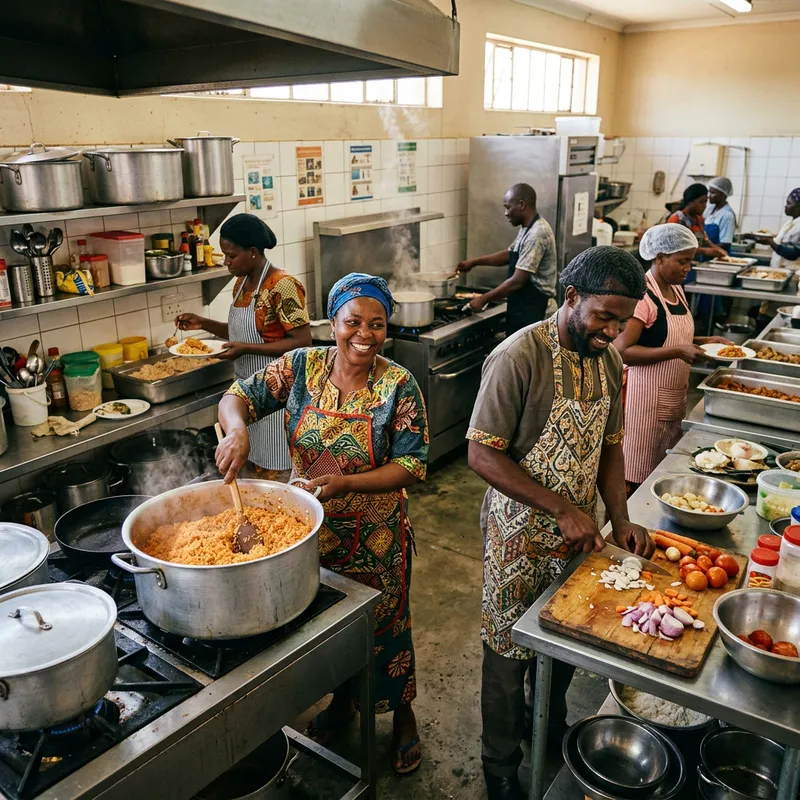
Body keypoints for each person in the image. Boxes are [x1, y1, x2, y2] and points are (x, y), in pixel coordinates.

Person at [216, 273, 429, 775]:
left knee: (386, 628)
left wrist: (348, 484)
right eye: (353, 321)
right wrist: (239, 431)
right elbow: (235, 396)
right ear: (332, 322)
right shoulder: (300, 367)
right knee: (326, 629)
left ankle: (402, 715)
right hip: (306, 532)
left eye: (377, 324)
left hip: (376, 539)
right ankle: (342, 702)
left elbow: (413, 465)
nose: (365, 333)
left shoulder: (399, 384)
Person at [466, 246, 655, 800]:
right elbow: (482, 454)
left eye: (622, 321)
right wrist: (560, 507)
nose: (613, 331)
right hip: (518, 539)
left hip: (582, 537)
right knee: (506, 658)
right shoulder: (519, 357)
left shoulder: (612, 362)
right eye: (604, 317)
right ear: (570, 297)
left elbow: (611, 446)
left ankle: (543, 725)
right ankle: (499, 765)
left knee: (567, 641)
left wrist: (620, 516)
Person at [176, 214, 311, 481]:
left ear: (252, 252)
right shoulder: (242, 282)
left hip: (277, 397)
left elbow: (301, 342)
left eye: (231, 255)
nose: (226, 262)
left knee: (278, 472)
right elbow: (240, 332)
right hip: (246, 396)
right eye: (224, 255)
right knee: (252, 471)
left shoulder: (282, 286)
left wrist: (246, 349)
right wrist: (203, 323)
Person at [614, 225, 730, 493]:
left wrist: (705, 341)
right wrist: (679, 352)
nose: (687, 268)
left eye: (690, 261)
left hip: (671, 400)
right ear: (659, 258)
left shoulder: (676, 290)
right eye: (682, 261)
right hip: (641, 403)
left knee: (658, 474)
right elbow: (621, 349)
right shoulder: (644, 295)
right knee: (631, 479)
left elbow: (666, 337)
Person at [457, 183, 557, 337]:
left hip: (536, 310)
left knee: (528, 360)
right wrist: (474, 262)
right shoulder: (527, 228)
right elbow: (509, 255)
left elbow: (517, 281)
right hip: (524, 307)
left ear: (521, 204)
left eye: (508, 207)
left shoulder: (537, 233)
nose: (505, 213)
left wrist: (484, 299)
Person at [667, 183, 727, 262]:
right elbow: (676, 247)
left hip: (693, 264)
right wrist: (705, 251)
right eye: (701, 202)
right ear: (690, 202)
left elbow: (705, 240)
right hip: (676, 265)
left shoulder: (699, 219)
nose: (705, 206)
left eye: (705, 202)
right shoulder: (676, 219)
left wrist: (718, 250)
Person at [744, 188, 800, 269]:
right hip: (781, 268)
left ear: (798, 206)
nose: (785, 206)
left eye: (789, 203)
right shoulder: (791, 222)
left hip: (793, 270)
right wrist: (756, 237)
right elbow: (781, 241)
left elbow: (793, 253)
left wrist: (770, 242)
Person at [704, 177, 736, 253]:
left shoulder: (727, 215)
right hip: (705, 254)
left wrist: (705, 248)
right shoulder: (709, 209)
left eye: (713, 193)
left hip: (717, 256)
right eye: (709, 192)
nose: (709, 195)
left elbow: (725, 244)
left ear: (723, 194)